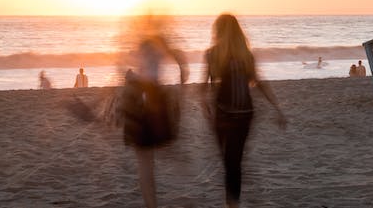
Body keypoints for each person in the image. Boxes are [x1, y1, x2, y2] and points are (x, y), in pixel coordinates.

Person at [202, 13, 286, 208]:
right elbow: (260, 82)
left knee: (230, 163)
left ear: (218, 31)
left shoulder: (213, 53)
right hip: (243, 114)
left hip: (224, 114)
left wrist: (204, 103)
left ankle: (232, 204)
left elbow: (203, 88)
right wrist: (277, 107)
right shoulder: (244, 55)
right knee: (232, 162)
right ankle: (232, 202)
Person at [118, 12, 189, 208]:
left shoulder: (143, 42)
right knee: (154, 156)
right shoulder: (159, 40)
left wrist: (130, 76)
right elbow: (179, 60)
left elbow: (135, 70)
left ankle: (152, 204)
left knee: (145, 161)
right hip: (155, 96)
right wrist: (182, 79)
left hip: (143, 99)